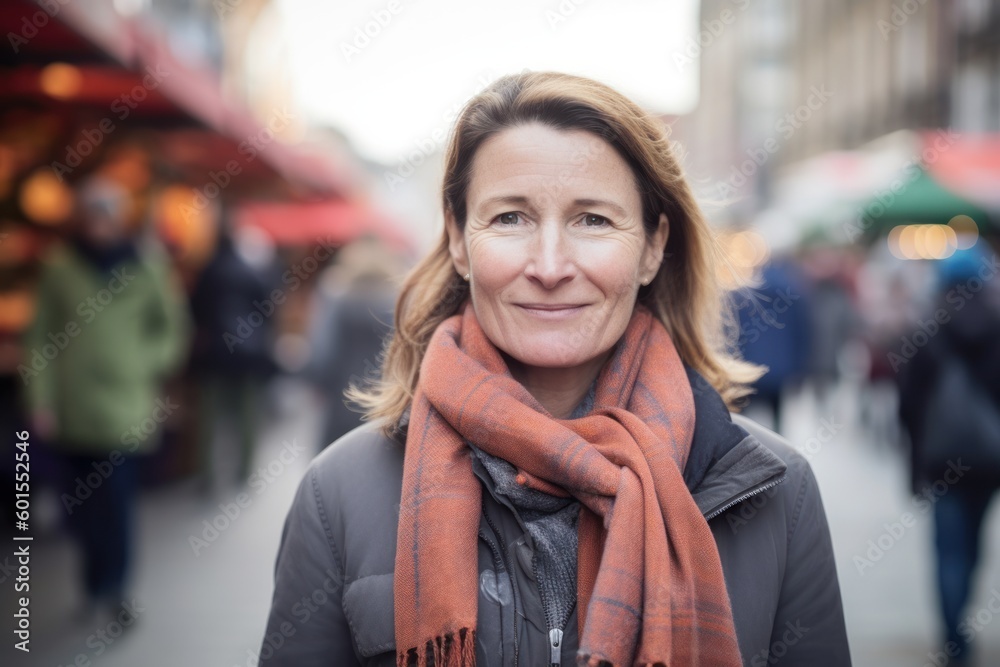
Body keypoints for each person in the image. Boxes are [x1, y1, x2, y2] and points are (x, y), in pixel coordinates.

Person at [260, 71, 850, 666]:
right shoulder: (338, 493)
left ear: (651, 247)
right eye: (510, 218)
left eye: (592, 219)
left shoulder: (777, 493)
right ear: (460, 240)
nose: (549, 265)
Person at [23, 176, 189, 619]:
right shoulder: (60, 265)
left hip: (125, 406)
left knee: (116, 501)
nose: (98, 225)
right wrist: (39, 398)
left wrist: (144, 361)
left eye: (106, 216)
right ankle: (92, 582)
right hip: (72, 407)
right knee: (76, 505)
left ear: (119, 221)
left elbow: (172, 330)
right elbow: (39, 338)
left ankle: (113, 590)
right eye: (91, 216)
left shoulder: (147, 265)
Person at [898, 243, 1000, 667]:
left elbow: (908, 409)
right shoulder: (997, 327)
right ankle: (963, 626)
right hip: (990, 461)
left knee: (948, 550)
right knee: (974, 546)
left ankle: (953, 639)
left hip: (942, 461)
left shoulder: (926, 331)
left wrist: (913, 466)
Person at [189, 220, 280, 491]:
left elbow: (195, 310)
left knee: (210, 417)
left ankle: (208, 473)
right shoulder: (254, 273)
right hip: (249, 356)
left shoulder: (210, 271)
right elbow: (268, 313)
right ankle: (244, 471)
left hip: (216, 355)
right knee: (247, 416)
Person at [305, 237, 398, 451]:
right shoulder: (395, 301)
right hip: (384, 399)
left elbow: (323, 349)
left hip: (342, 396)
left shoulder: (338, 299)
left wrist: (317, 382)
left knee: (335, 463)